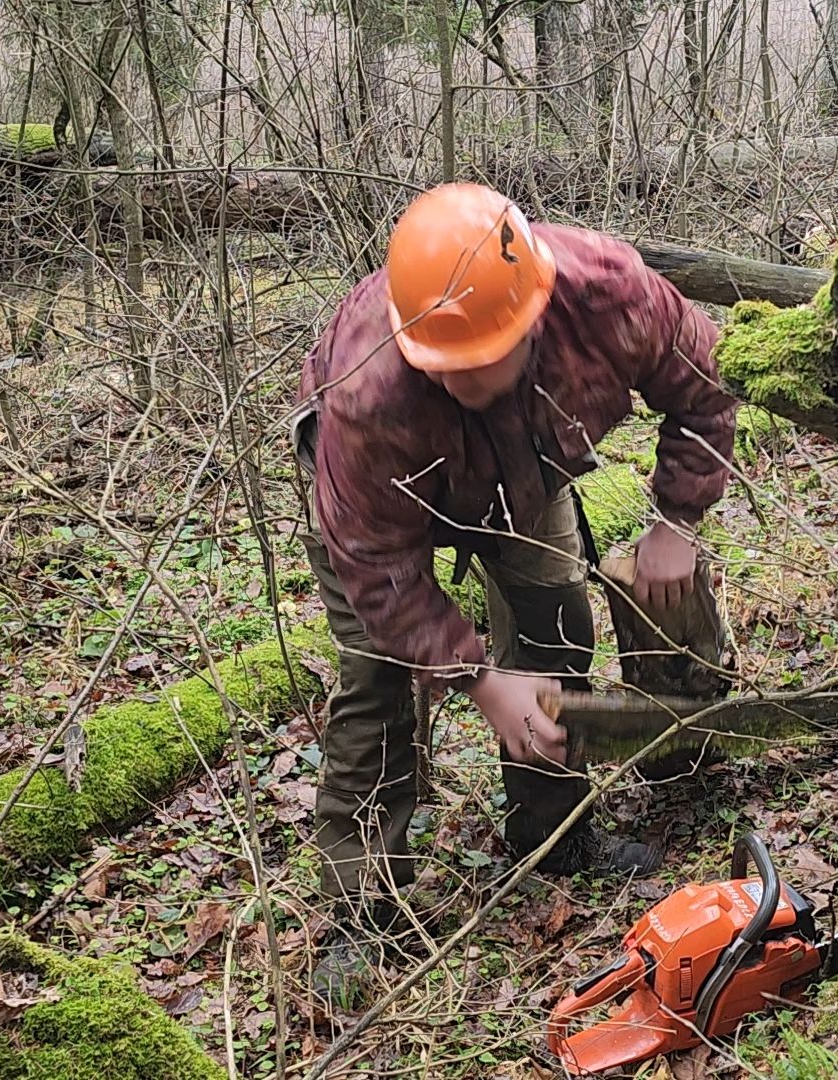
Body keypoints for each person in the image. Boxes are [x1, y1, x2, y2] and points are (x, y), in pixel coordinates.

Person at [289, 182, 736, 996]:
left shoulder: (608, 295)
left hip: (526, 479)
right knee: (377, 683)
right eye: (447, 367)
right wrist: (475, 677)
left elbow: (707, 385)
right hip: (389, 508)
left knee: (556, 627)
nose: (465, 379)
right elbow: (378, 576)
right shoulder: (367, 393)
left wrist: (677, 518)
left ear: (535, 313)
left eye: (484, 360)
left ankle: (554, 834)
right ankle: (361, 912)